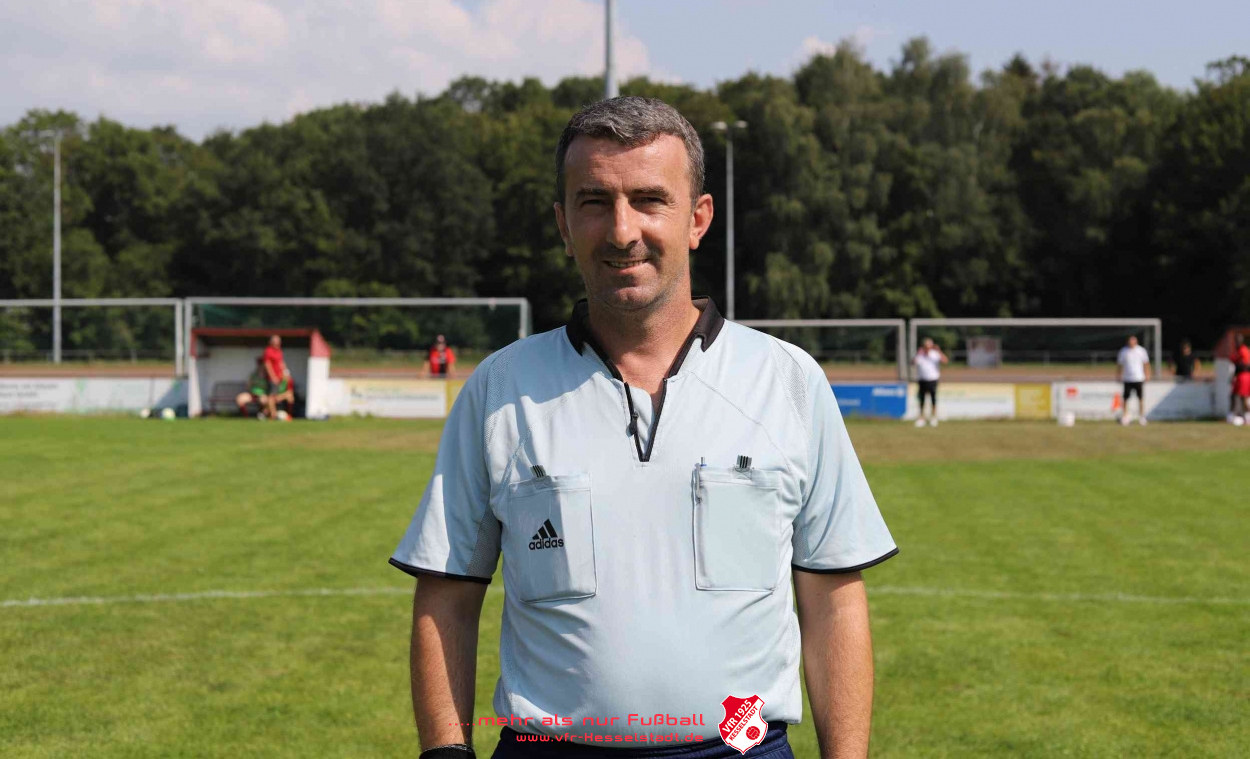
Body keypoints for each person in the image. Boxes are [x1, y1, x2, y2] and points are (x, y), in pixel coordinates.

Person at [389, 97, 896, 759]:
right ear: (564, 224)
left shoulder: (787, 381)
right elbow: (447, 597)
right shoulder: (500, 388)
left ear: (698, 218)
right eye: (594, 202)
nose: (622, 230)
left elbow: (833, 600)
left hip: (740, 747)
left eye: (650, 200)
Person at [1115, 335, 1152, 425]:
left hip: (1138, 378)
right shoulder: (1123, 351)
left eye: (1133, 341)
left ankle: (1142, 417)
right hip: (1127, 378)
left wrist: (1148, 374)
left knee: (1140, 398)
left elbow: (1146, 363)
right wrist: (1118, 375)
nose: (1131, 343)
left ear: (1136, 342)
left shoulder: (1141, 351)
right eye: (1130, 341)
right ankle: (1125, 416)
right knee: (1125, 399)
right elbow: (1120, 364)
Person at [913, 337, 948, 428]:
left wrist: (939, 351)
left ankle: (933, 417)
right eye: (925, 346)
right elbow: (912, 362)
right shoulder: (920, 355)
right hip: (922, 379)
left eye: (929, 346)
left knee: (933, 399)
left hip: (933, 379)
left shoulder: (935, 354)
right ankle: (921, 418)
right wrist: (918, 354)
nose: (927, 348)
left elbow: (945, 361)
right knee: (922, 400)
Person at [1227, 333, 1250, 423]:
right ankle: (1231, 416)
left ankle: (1247, 417)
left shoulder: (1243, 350)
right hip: (1239, 376)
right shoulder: (1238, 351)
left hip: (1244, 376)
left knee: (1243, 396)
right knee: (1233, 395)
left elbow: (1245, 364)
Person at [262, 335, 285, 420]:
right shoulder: (268, 351)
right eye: (275, 340)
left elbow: (281, 363)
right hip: (272, 379)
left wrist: (284, 373)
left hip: (279, 378)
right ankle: (273, 415)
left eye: (278, 340)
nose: (277, 342)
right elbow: (267, 365)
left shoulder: (279, 351)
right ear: (271, 342)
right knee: (271, 396)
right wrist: (273, 377)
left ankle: (264, 412)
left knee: (275, 397)